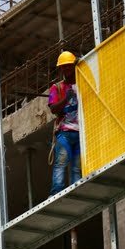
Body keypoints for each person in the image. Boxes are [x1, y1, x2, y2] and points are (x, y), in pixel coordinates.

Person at [48, 51, 81, 195]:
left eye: (69, 66)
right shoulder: (57, 88)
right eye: (64, 67)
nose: (66, 70)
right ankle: (57, 192)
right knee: (61, 163)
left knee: (77, 166)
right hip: (65, 132)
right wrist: (66, 99)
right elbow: (53, 108)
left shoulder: (83, 82)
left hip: (82, 132)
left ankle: (77, 189)